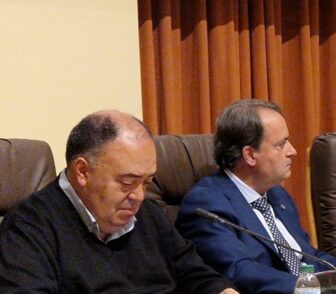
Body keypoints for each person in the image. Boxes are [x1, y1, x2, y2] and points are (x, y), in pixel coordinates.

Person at [0, 111, 236, 293]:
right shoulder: (28, 228)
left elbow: (196, 274)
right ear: (82, 171)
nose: (139, 196)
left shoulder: (149, 216)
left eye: (147, 182)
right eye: (127, 182)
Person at [176, 100, 336, 294]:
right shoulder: (207, 203)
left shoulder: (277, 195)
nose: (293, 151)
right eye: (281, 144)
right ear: (249, 155)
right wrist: (310, 287)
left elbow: (306, 256)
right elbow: (238, 270)